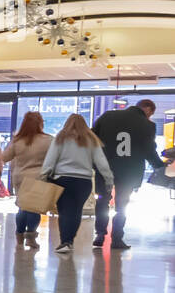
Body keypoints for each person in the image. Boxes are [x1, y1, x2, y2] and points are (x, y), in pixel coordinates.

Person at [91, 99, 164, 250]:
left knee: (102, 200)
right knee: (122, 205)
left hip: (105, 167)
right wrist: (160, 167)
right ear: (148, 110)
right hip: (129, 171)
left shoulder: (107, 116)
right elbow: (149, 150)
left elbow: (91, 139)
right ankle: (117, 238)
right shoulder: (148, 125)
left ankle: (99, 234)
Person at [42, 114, 112, 255]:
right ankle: (70, 241)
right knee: (76, 211)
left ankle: (65, 241)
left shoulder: (60, 138)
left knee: (64, 211)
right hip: (83, 181)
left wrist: (44, 175)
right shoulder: (91, 140)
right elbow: (102, 162)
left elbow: (50, 159)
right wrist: (109, 180)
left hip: (62, 179)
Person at [2, 111, 52, 248]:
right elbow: (54, 160)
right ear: (41, 123)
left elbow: (4, 157)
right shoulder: (48, 140)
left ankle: (19, 236)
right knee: (34, 209)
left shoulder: (17, 141)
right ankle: (31, 237)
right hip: (38, 177)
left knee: (22, 208)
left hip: (20, 178)